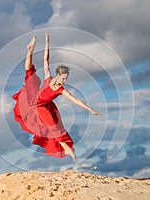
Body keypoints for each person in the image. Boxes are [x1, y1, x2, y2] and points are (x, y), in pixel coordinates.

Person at [12, 31, 100, 161]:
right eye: (63, 78)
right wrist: (47, 42)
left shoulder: (60, 89)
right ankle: (30, 50)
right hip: (33, 100)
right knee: (30, 75)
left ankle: (66, 148)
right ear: (58, 75)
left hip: (42, 105)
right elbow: (45, 59)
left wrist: (90, 109)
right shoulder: (49, 77)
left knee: (54, 125)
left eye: (66, 79)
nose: (64, 81)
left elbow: (75, 100)